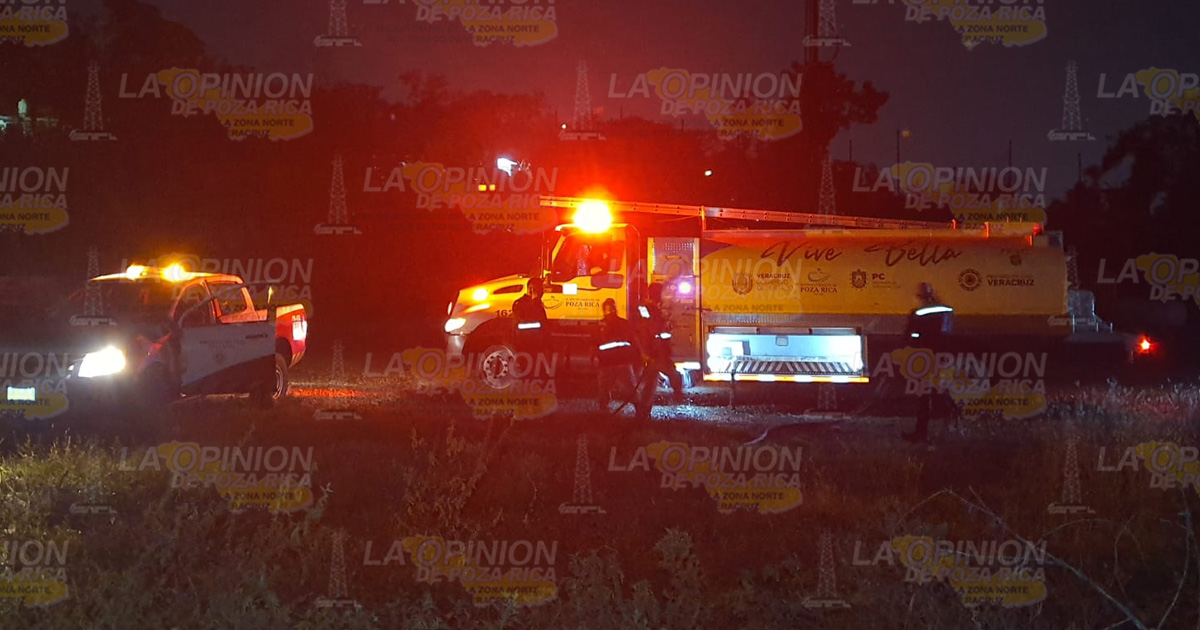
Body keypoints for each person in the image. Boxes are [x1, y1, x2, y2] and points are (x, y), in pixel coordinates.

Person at [903, 283, 955, 443]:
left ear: (920, 297)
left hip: (923, 359)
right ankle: (951, 428)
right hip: (941, 358)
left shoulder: (917, 313)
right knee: (942, 393)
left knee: (923, 398)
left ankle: (921, 434)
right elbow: (948, 333)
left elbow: (909, 337)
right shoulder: (946, 311)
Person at [636, 282, 684, 404]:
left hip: (657, 352)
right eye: (660, 292)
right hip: (655, 353)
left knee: (650, 385)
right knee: (674, 376)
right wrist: (646, 353)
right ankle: (678, 398)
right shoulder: (646, 309)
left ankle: (642, 414)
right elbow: (647, 330)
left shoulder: (653, 309)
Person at [596, 298, 644, 414]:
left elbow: (633, 340)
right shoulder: (605, 324)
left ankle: (639, 409)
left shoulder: (614, 324)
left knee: (626, 387)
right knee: (605, 388)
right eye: (610, 309)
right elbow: (595, 343)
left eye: (612, 309)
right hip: (613, 362)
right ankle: (604, 410)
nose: (611, 311)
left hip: (617, 362)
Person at [511, 278, 549, 354]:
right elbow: (530, 318)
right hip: (526, 343)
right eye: (540, 288)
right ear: (532, 289)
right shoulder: (521, 304)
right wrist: (535, 302)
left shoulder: (536, 303)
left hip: (535, 342)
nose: (543, 292)